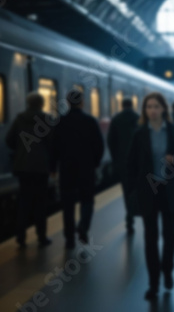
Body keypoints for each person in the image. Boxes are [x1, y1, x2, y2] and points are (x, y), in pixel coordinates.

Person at [126, 92, 174, 300]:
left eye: (156, 106)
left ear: (163, 109)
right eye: (148, 106)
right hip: (148, 191)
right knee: (150, 238)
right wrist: (133, 190)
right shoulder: (139, 134)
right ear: (145, 110)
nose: (152, 110)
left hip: (170, 191)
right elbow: (131, 165)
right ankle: (153, 283)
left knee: (169, 235)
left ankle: (168, 270)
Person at [51, 90, 104, 249]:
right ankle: (83, 227)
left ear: (67, 103)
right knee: (87, 200)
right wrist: (94, 163)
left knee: (68, 204)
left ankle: (69, 239)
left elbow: (54, 147)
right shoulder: (90, 121)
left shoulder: (60, 122)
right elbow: (99, 146)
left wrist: (53, 167)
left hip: (67, 170)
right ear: (82, 102)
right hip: (86, 169)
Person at [5, 92, 53, 249]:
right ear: (41, 104)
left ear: (28, 103)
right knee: (40, 203)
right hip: (41, 168)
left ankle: (20, 237)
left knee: (23, 202)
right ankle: (41, 237)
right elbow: (53, 144)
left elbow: (9, 140)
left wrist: (20, 150)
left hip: (23, 167)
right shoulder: (46, 119)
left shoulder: (19, 119)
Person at [107, 98, 139, 235]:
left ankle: (129, 218)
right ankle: (135, 213)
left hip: (123, 162)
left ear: (122, 105)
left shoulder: (116, 119)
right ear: (132, 105)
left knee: (127, 190)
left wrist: (115, 159)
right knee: (138, 189)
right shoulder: (140, 119)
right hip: (138, 163)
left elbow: (110, 141)